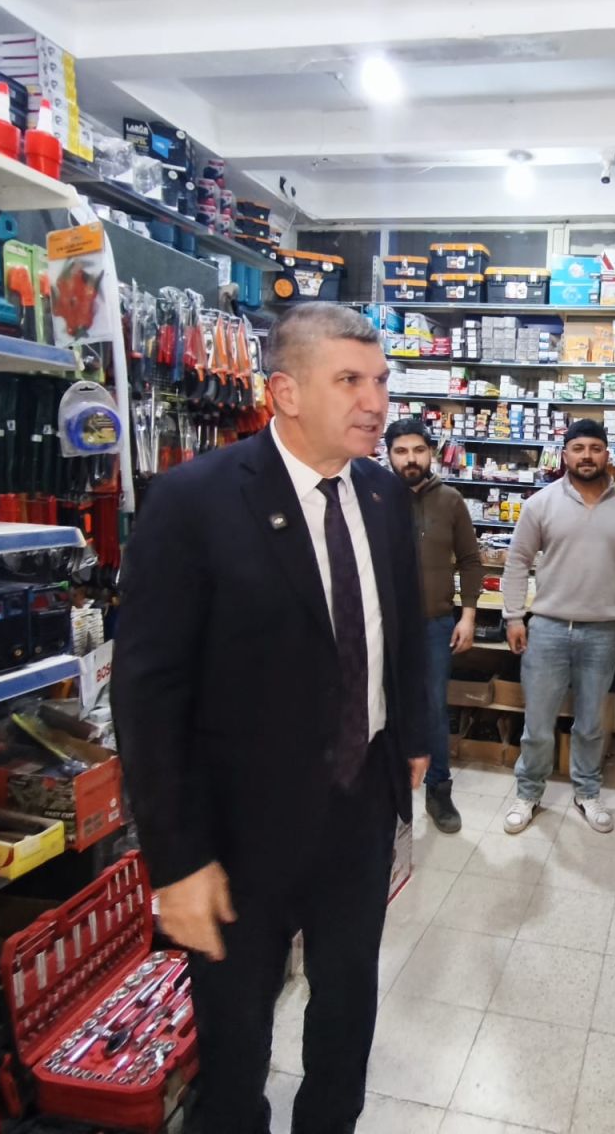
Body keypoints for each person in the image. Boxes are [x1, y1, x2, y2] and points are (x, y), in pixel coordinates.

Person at [113, 302, 428, 1134]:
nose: (375, 402)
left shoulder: (382, 494)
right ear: (286, 392)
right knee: (236, 1030)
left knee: (347, 1005)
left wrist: (415, 738)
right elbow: (148, 694)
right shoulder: (193, 501)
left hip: (359, 808)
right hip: (240, 829)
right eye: (350, 381)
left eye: (381, 381)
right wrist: (177, 861)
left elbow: (402, 627)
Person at [501, 418, 615, 835]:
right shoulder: (540, 504)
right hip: (548, 629)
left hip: (602, 632)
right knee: (538, 724)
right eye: (578, 448)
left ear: (607, 454)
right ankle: (529, 793)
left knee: (591, 723)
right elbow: (517, 562)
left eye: (594, 448)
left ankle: (587, 792)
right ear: (565, 455)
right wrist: (514, 615)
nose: (586, 456)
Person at [385, 417, 484, 833]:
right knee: (381, 708)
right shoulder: (374, 497)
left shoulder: (451, 500)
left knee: (432, 710)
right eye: (401, 451)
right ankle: (386, 792)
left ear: (431, 453)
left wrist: (468, 614)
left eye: (418, 450)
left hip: (434, 624)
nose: (410, 459)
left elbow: (471, 560)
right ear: (388, 455)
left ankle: (439, 791)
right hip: (383, 627)